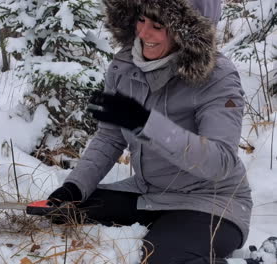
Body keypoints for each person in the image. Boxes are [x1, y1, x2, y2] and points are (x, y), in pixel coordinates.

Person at [46, 0, 259, 263]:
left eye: (158, 25)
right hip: (150, 193)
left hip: (212, 204)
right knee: (64, 213)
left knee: (158, 258)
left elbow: (220, 162)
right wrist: (75, 186)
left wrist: (146, 124)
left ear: (187, 32)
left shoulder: (219, 77)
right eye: (141, 19)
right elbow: (110, 137)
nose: (144, 33)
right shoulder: (125, 65)